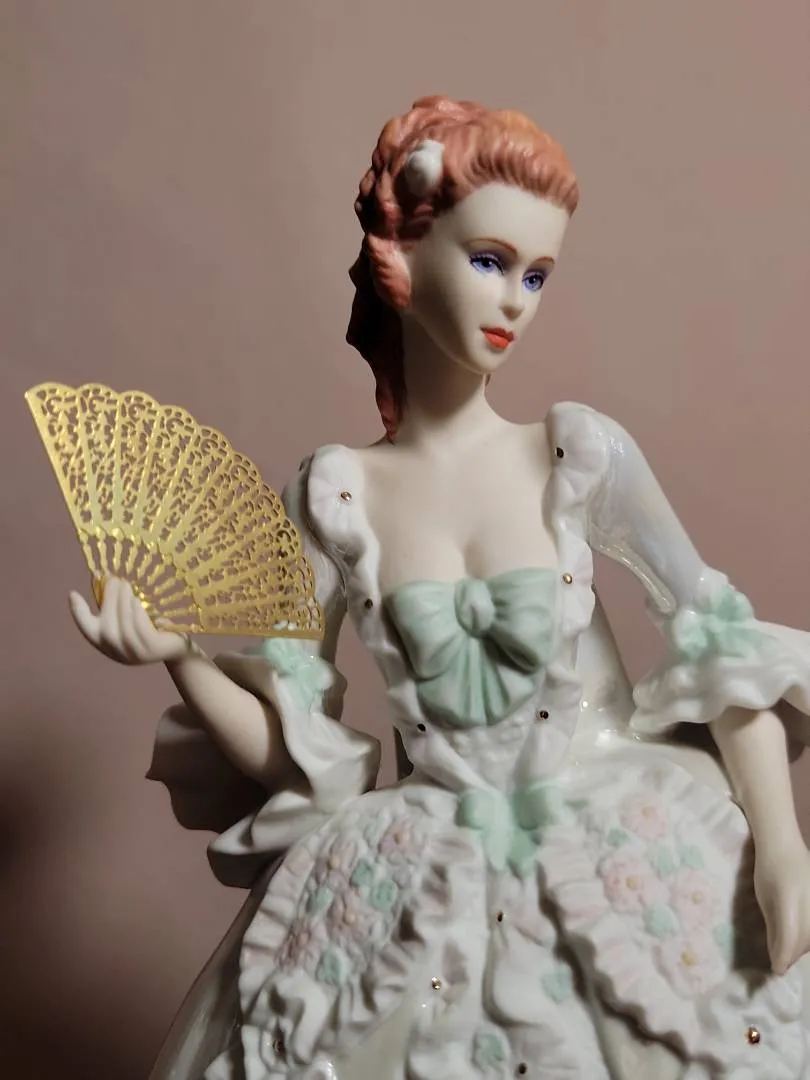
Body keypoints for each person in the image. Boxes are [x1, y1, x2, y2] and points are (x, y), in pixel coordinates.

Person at [70, 96, 810, 1079]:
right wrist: (181, 657)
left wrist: (783, 844)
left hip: (619, 841)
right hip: (420, 857)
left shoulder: (577, 454)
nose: (517, 302)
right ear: (402, 255)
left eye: (538, 275)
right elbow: (295, 752)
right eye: (491, 262)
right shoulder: (333, 495)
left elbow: (719, 643)